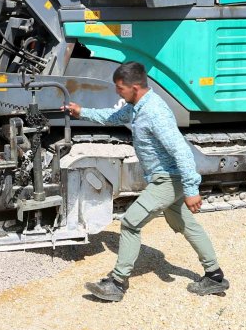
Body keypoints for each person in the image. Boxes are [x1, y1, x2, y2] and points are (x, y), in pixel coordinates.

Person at [63, 61, 229, 302]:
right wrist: (82, 112)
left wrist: (192, 189)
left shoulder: (154, 112)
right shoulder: (136, 106)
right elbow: (113, 117)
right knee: (186, 223)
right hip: (163, 179)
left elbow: (181, 152)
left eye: (120, 88)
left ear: (135, 87)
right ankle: (214, 276)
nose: (117, 92)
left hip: (168, 179)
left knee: (130, 223)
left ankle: (117, 283)